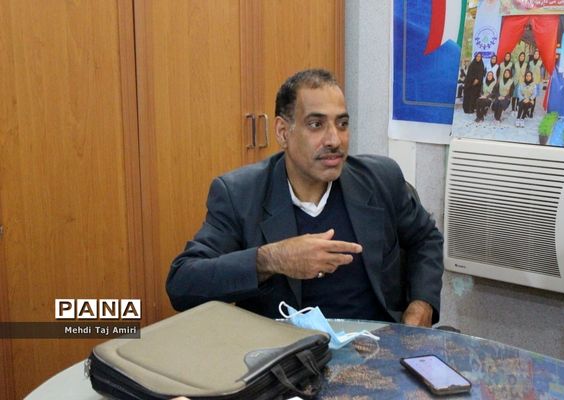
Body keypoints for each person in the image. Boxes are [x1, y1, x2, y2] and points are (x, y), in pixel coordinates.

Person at [166, 69, 444, 327]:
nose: (334, 139)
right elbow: (182, 283)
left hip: (376, 345)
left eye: (342, 124)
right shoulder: (240, 194)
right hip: (285, 354)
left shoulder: (381, 179)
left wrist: (422, 304)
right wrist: (271, 259)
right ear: (283, 132)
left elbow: (425, 239)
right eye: (316, 124)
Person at [528, 50, 543, 117]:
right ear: (533, 55)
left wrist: (541, 80)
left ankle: (532, 111)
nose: (536, 55)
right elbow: (528, 72)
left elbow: (542, 73)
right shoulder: (530, 63)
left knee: (534, 97)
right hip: (530, 82)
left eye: (537, 54)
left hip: (536, 82)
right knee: (528, 96)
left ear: (539, 56)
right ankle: (527, 109)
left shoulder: (540, 63)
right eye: (535, 54)